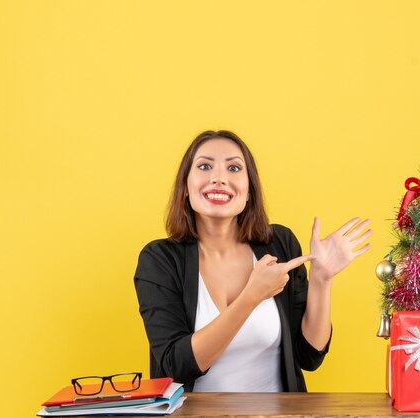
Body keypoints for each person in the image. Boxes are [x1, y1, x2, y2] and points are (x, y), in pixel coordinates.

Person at [134, 130, 372, 392]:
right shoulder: (159, 260)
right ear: (185, 189)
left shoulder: (280, 243)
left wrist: (322, 279)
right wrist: (251, 296)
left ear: (249, 192)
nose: (219, 178)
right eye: (204, 166)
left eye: (234, 168)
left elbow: (309, 356)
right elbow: (175, 366)